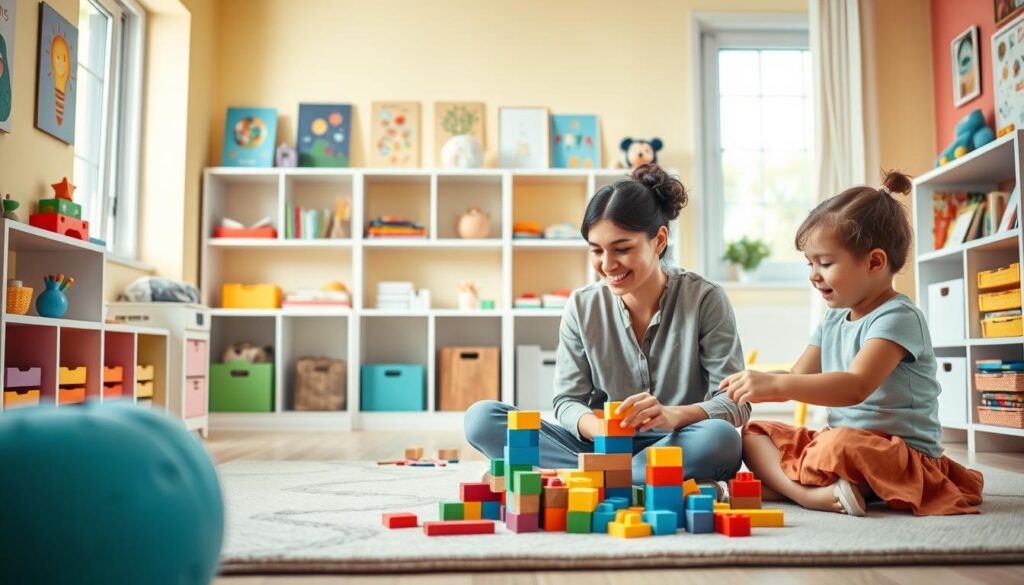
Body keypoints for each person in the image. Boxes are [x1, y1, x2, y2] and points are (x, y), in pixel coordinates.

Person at [464, 163, 749, 487]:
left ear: (659, 240)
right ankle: (625, 477)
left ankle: (583, 477)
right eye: (596, 251)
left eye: (622, 249)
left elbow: (735, 403)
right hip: (595, 447)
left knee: (722, 440)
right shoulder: (582, 306)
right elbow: (567, 402)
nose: (607, 264)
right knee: (482, 418)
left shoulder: (704, 299)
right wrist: (597, 428)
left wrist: (672, 416)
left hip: (676, 441)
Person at [722, 170, 984, 516]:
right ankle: (806, 492)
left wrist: (778, 382)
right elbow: (798, 376)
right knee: (755, 434)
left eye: (825, 263)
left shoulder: (899, 317)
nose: (814, 275)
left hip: (898, 453)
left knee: (839, 445)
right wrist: (758, 382)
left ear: (875, 262)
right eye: (810, 263)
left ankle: (806, 489)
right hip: (842, 441)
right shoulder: (833, 318)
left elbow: (855, 387)